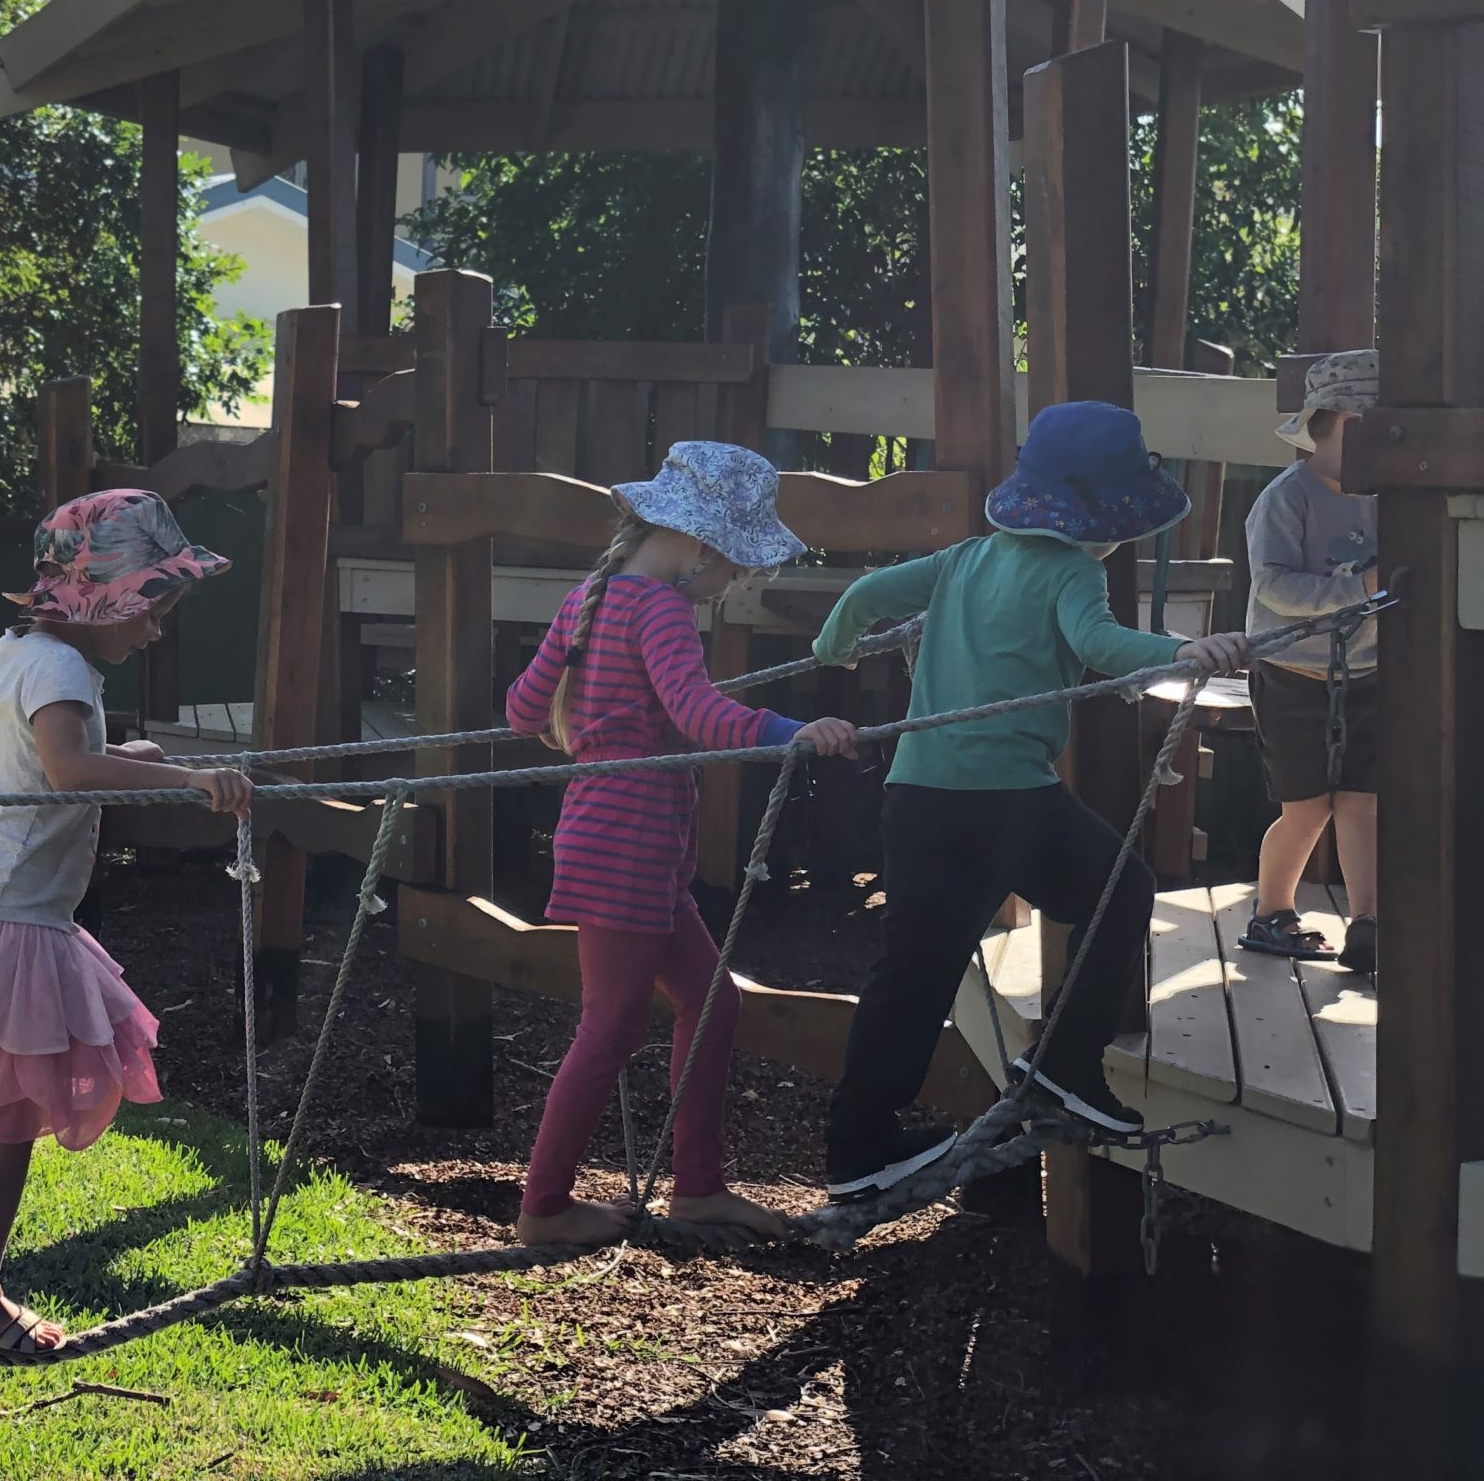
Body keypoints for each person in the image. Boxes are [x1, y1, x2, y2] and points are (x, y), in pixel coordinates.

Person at [812, 403, 1250, 1200]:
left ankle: (857, 1142)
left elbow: (869, 591)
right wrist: (1186, 652)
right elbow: (1102, 648)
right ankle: (1063, 1065)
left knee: (913, 970)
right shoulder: (1073, 571)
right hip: (1006, 801)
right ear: (1102, 518)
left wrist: (832, 647)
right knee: (1122, 893)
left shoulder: (964, 559)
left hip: (916, 796)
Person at [0, 488, 252, 1354]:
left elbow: (50, 764)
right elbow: (72, 771)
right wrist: (190, 784)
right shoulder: (64, 670)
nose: (154, 631)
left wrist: (148, 758)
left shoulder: (23, 654)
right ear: (102, 598)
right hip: (16, 924)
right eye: (151, 609)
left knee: (4, 1113)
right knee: (11, 1123)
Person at [504, 442, 860, 1247]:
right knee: (613, 1026)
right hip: (627, 840)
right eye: (734, 568)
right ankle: (544, 1206)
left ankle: (698, 1188)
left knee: (711, 1003)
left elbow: (523, 713)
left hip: (620, 837)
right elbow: (699, 715)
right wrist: (795, 733)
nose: (730, 586)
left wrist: (582, 685)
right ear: (701, 546)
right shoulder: (659, 607)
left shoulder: (591, 597)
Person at [1240, 349, 1381, 974]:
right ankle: (1272, 911)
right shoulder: (1285, 498)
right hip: (1292, 674)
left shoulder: (1385, 497)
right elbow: (1274, 587)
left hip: (1369, 674)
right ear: (1343, 425)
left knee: (1362, 801)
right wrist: (1361, 589)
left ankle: (1369, 925)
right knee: (1306, 806)